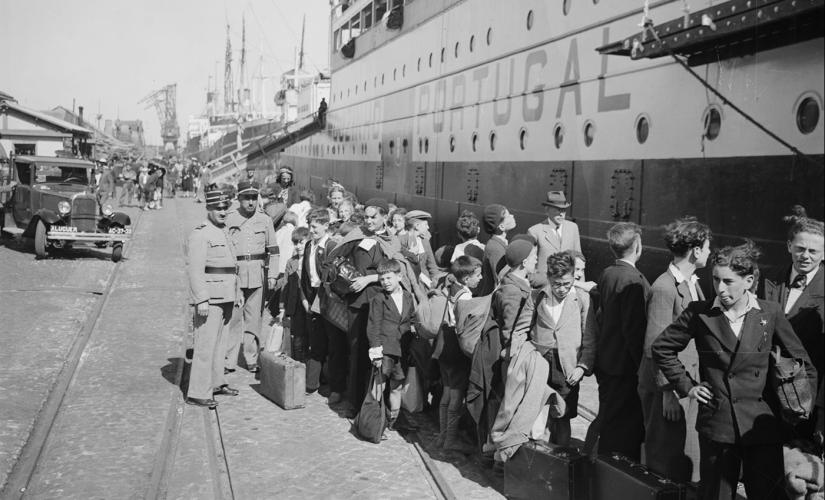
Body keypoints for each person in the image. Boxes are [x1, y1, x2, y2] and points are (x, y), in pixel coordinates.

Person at [653, 242, 816, 500]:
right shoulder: (700, 313)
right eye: (715, 279)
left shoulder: (770, 313)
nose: (720, 288)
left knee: (765, 495)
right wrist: (687, 386)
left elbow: (802, 362)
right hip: (719, 425)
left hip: (761, 426)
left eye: (728, 281)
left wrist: (801, 406)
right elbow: (661, 348)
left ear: (749, 281)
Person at [638, 217, 711, 482]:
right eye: (708, 247)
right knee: (665, 456)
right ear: (696, 251)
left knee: (686, 454)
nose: (710, 252)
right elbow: (654, 345)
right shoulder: (664, 288)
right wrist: (668, 392)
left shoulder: (692, 282)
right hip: (668, 387)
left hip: (686, 382)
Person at [470, 236, 538, 455]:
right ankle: (496, 454)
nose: (536, 260)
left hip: (510, 355)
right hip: (510, 357)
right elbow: (510, 330)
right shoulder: (511, 291)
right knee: (503, 406)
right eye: (534, 257)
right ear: (523, 262)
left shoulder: (514, 282)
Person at [762, 211, 824, 444]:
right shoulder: (769, 278)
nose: (805, 256)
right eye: (800, 248)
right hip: (766, 390)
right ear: (789, 246)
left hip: (806, 395)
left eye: (813, 251)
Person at [594, 222, 650, 461]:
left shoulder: (608, 273)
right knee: (624, 429)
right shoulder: (634, 280)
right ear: (637, 246)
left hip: (607, 360)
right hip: (625, 367)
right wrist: (642, 367)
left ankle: (605, 467)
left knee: (609, 420)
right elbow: (633, 331)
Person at [531, 251, 597, 446]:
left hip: (567, 368)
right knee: (539, 413)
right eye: (557, 284)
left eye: (567, 284)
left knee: (563, 416)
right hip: (541, 363)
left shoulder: (582, 299)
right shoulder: (538, 296)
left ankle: (562, 457)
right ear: (549, 278)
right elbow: (526, 330)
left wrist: (582, 367)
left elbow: (590, 337)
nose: (561, 289)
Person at [185, 190, 239, 408]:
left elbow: (232, 266)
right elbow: (195, 271)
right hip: (211, 298)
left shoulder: (224, 231)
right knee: (205, 347)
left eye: (225, 208)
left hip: (227, 296)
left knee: (220, 345)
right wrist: (202, 299)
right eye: (218, 208)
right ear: (208, 208)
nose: (223, 212)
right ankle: (198, 391)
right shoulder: (200, 234)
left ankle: (217, 383)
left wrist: (237, 294)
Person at [224, 181, 278, 374]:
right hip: (235, 273)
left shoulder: (265, 220)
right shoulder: (229, 218)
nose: (250, 202)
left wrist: (272, 275)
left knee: (254, 319)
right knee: (232, 319)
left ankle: (251, 357)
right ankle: (228, 360)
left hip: (257, 272)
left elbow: (273, 250)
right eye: (246, 198)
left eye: (254, 198)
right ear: (239, 198)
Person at [432, 256, 482, 452]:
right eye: (477, 275)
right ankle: (450, 439)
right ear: (467, 278)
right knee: (456, 394)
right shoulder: (465, 296)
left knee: (446, 390)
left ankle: (443, 435)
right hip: (456, 349)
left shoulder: (451, 286)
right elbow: (465, 326)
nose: (480, 278)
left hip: (444, 345)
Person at [367, 258, 417, 434]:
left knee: (397, 387)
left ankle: (392, 421)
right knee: (378, 386)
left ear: (399, 277)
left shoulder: (408, 296)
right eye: (382, 279)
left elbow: (410, 319)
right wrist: (376, 352)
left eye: (388, 278)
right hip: (385, 349)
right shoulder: (378, 299)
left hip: (402, 349)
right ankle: (374, 422)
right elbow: (374, 326)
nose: (385, 282)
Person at [301, 208, 341, 395]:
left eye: (315, 226)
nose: (312, 229)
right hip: (312, 296)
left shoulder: (332, 246)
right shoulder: (309, 245)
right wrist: (303, 298)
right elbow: (304, 275)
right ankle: (312, 383)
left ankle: (333, 385)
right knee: (315, 340)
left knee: (333, 342)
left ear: (326, 226)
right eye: (310, 225)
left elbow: (335, 276)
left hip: (328, 298)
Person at [528, 191, 582, 279]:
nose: (561, 214)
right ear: (547, 210)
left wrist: (581, 288)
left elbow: (579, 260)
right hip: (545, 285)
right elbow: (529, 265)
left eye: (564, 210)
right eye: (557, 210)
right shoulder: (535, 231)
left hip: (568, 284)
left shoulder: (573, 228)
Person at [279, 227, 310, 362]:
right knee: (297, 338)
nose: (298, 246)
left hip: (309, 304)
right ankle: (298, 364)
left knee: (312, 338)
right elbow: (285, 286)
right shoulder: (291, 262)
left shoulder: (313, 258)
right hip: (295, 305)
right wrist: (282, 307)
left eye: (301, 242)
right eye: (295, 243)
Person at [479, 204, 516, 295]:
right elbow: (500, 280)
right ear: (501, 226)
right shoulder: (495, 248)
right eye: (508, 216)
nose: (512, 216)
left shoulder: (500, 243)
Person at [397, 210, 441, 288]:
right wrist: (409, 254)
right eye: (426, 224)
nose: (428, 227)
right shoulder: (400, 240)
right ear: (417, 226)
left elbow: (432, 265)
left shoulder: (425, 241)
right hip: (408, 283)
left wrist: (436, 280)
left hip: (426, 284)